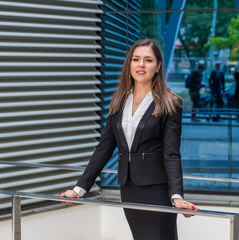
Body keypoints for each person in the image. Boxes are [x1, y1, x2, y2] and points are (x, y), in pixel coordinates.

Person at [59, 39, 198, 240]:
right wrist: (79, 189)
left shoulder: (170, 103)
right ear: (129, 65)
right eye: (136, 59)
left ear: (158, 66)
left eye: (148, 60)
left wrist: (176, 196)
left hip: (157, 190)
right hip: (129, 187)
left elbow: (171, 153)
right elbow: (104, 148)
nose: (141, 65)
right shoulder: (119, 100)